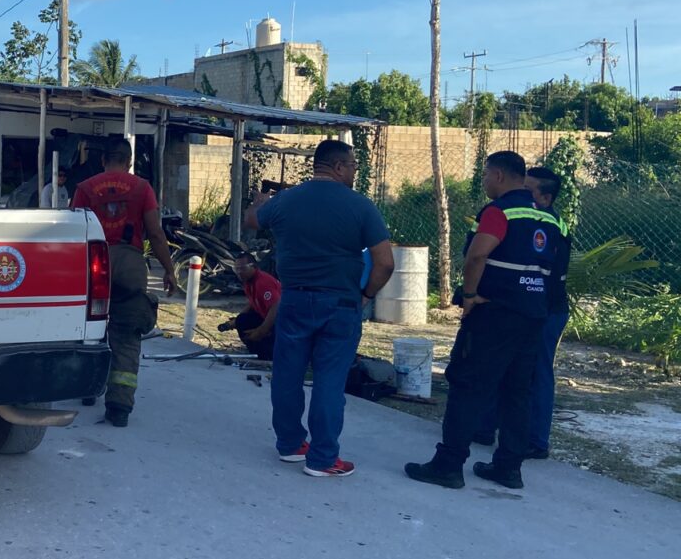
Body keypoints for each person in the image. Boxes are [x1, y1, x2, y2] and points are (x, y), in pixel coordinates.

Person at [405, 151, 564, 491]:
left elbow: (478, 254)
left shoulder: (499, 211)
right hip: (533, 315)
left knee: (467, 384)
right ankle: (508, 468)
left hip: (495, 313)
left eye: (486, 176)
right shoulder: (549, 219)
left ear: (500, 176)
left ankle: (448, 465)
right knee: (517, 392)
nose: (484, 182)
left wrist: (471, 295)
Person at [244, 139, 395, 477]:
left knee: (287, 374)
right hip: (341, 303)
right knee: (329, 378)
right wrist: (366, 295)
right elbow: (385, 263)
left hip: (294, 299)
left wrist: (258, 202)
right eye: (353, 166)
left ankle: (290, 445)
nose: (355, 172)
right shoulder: (361, 206)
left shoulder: (286, 200)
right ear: (339, 167)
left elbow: (252, 219)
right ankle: (323, 458)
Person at [71, 139, 179, 427]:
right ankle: (119, 407)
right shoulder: (142, 188)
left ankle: (87, 388)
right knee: (127, 334)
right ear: (129, 161)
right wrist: (169, 270)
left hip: (92, 265)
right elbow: (156, 233)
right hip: (130, 265)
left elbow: (73, 232)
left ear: (104, 160)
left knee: (88, 329)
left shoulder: (85, 188)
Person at [475, 166, 572, 459]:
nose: (522, 195)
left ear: (545, 197)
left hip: (547, 308)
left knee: (537, 372)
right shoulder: (520, 216)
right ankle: (484, 427)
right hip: (526, 305)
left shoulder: (552, 224)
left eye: (528, 190)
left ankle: (536, 440)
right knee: (503, 364)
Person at [227, 251, 281, 359]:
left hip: (281, 322)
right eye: (236, 269)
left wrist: (262, 330)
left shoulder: (263, 282)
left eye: (243, 268)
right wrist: (235, 321)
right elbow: (252, 303)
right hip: (265, 317)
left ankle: (267, 355)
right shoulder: (248, 282)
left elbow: (276, 306)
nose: (239, 272)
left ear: (253, 267)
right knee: (242, 320)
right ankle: (256, 350)